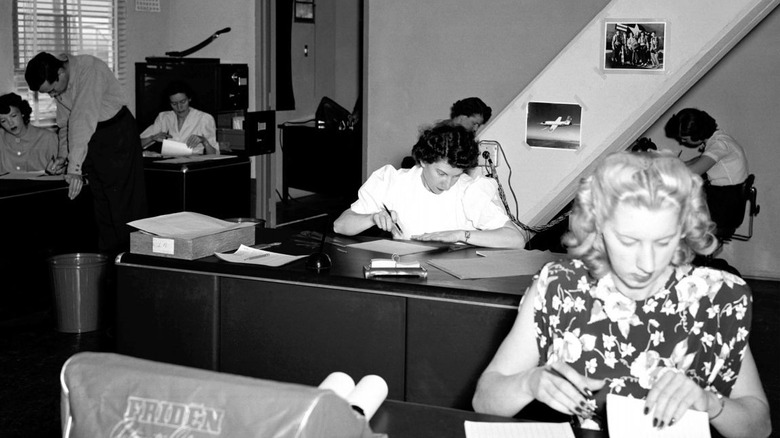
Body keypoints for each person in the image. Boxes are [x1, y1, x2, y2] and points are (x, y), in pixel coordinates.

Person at [472, 152, 771, 437]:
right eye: (628, 241)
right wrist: (530, 383)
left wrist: (710, 404)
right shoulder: (559, 288)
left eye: (664, 241)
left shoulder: (716, 297)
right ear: (598, 227)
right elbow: (485, 401)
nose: (648, 263)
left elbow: (759, 426)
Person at [25, 52, 147, 255]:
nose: (53, 95)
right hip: (91, 137)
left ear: (61, 72)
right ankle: (108, 268)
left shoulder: (89, 69)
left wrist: (74, 169)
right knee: (101, 206)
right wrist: (63, 157)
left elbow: (82, 119)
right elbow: (66, 125)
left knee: (123, 207)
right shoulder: (61, 84)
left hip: (116, 134)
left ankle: (131, 264)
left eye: (52, 90)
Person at [333, 122, 525, 249]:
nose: (447, 184)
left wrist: (460, 235)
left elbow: (516, 239)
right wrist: (373, 218)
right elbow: (340, 225)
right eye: (441, 173)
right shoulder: (393, 181)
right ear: (424, 160)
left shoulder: (470, 190)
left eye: (456, 176)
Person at [664, 108, 749, 238]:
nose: (682, 142)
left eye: (685, 139)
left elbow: (694, 171)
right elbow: (699, 160)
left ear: (696, 134)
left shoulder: (719, 145)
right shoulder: (721, 139)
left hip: (723, 210)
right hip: (727, 204)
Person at [140, 80, 218, 155]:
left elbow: (214, 155)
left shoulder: (204, 118)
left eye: (183, 102)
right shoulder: (164, 117)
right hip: (169, 163)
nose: (179, 107)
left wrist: (205, 142)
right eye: (174, 103)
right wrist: (152, 138)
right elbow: (136, 144)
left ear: (189, 99)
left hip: (193, 164)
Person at [0, 92, 59, 174]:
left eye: (13, 116)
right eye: (3, 121)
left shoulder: (48, 138)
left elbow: (62, 170)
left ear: (22, 113)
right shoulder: (1, 138)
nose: (10, 123)